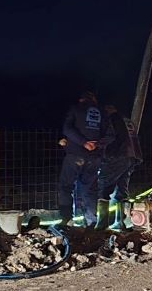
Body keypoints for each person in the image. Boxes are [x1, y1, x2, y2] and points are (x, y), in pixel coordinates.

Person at [59, 91, 105, 226]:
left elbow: (67, 129)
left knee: (66, 186)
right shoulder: (102, 113)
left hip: (76, 154)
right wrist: (97, 144)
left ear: (81, 100)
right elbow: (109, 134)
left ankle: (67, 219)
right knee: (89, 188)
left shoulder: (76, 109)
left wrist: (83, 142)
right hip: (94, 157)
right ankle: (92, 221)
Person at [95, 105, 142, 231]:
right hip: (132, 157)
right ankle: (120, 222)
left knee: (103, 186)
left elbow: (111, 137)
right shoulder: (127, 120)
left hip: (118, 156)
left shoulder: (112, 119)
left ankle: (102, 224)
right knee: (122, 190)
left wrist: (98, 145)